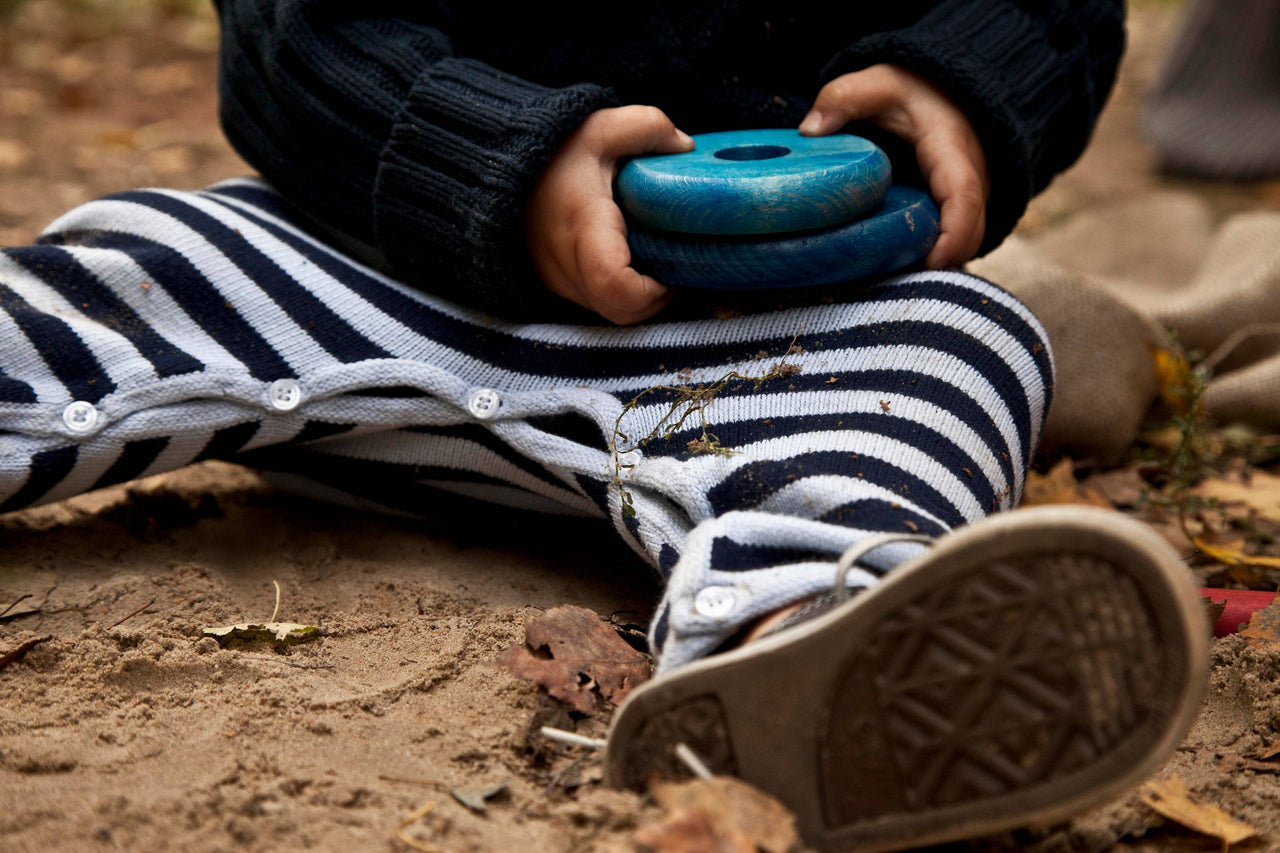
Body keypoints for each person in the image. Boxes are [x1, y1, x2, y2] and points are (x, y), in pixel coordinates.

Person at [0, 2, 1207, 849]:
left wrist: (963, 75)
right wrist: (484, 153)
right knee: (161, 258)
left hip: (770, 346)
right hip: (389, 273)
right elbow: (293, 32)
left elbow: (1051, 9)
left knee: (967, 341)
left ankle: (803, 640)